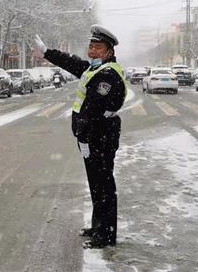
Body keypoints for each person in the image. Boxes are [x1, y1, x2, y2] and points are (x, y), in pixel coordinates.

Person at [32, 25, 127, 249]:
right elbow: (72, 63)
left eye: (98, 47)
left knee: (103, 186)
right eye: (91, 46)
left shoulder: (107, 75)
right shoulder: (96, 69)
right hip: (97, 136)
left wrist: (83, 138)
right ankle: (99, 227)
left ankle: (105, 235)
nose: (93, 51)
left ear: (109, 51)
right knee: (97, 185)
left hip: (99, 137)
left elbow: (91, 111)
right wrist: (47, 52)